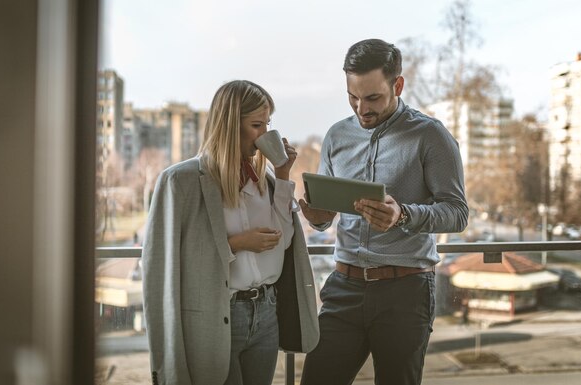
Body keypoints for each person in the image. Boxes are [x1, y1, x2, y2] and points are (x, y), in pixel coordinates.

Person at [299, 38, 469, 385]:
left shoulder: (431, 136)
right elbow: (326, 217)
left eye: (372, 97)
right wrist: (317, 215)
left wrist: (403, 215)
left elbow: (457, 213)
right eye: (353, 96)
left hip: (404, 293)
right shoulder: (336, 136)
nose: (361, 108)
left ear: (398, 85)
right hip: (343, 287)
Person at [142, 80, 319, 385]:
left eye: (267, 124)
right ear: (229, 125)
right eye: (256, 125)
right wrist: (236, 244)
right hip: (216, 313)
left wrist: (282, 175)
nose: (265, 134)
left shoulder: (266, 181)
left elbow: (284, 241)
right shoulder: (179, 181)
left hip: (266, 312)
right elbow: (162, 266)